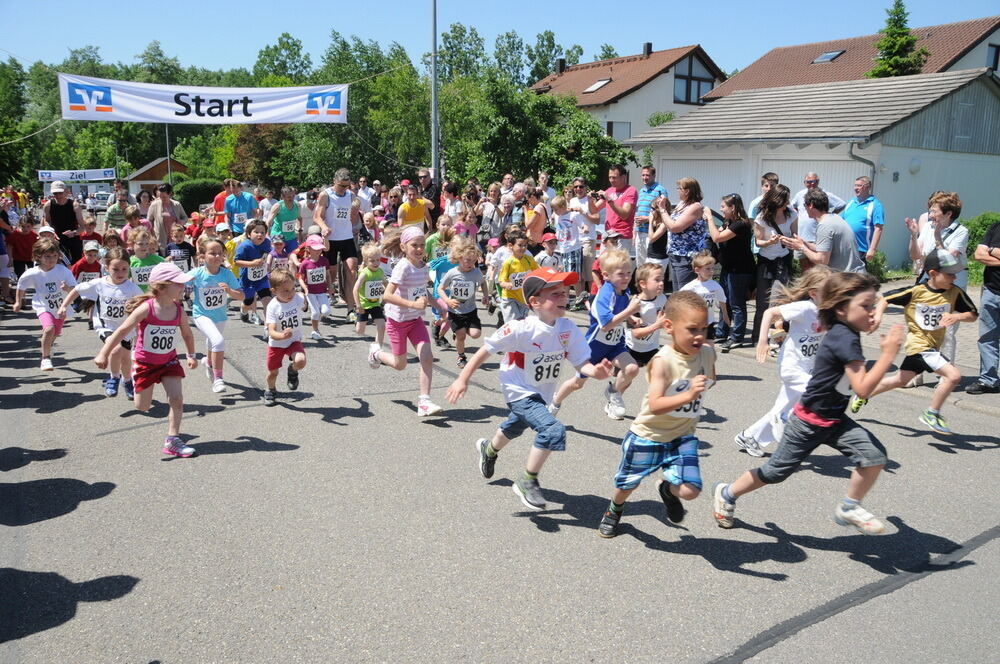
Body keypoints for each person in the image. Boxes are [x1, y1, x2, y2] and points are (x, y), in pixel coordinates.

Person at [712, 271, 905, 535]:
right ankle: (727, 492)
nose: (872, 312)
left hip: (835, 419)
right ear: (841, 309)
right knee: (774, 473)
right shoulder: (843, 338)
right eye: (866, 306)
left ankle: (849, 506)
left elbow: (858, 382)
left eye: (873, 306)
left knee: (873, 456)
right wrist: (889, 355)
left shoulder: (846, 332)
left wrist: (893, 372)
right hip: (807, 423)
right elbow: (862, 388)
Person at [446, 267, 614, 510]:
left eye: (565, 292)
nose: (564, 297)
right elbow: (486, 350)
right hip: (517, 390)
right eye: (555, 293)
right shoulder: (520, 328)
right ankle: (528, 480)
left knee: (516, 426)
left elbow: (581, 362)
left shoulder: (567, 328)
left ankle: (489, 449)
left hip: (541, 393)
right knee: (553, 430)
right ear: (534, 301)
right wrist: (462, 379)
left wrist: (595, 372)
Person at [597, 291, 716, 537]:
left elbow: (710, 378)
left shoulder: (706, 353)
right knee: (627, 484)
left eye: (703, 329)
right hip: (648, 435)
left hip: (682, 437)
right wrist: (689, 395)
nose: (699, 336)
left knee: (691, 490)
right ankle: (614, 510)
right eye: (692, 329)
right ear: (669, 327)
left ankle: (666, 489)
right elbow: (655, 404)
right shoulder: (662, 361)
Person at [851, 249, 978, 434]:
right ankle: (931, 413)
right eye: (950, 274)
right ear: (933, 273)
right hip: (920, 346)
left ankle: (863, 393)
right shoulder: (915, 292)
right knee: (953, 376)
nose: (955, 278)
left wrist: (956, 317)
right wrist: (877, 317)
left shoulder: (955, 293)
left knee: (900, 380)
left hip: (933, 346)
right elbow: (885, 298)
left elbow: (973, 314)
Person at [95, 263, 199, 458]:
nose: (183, 288)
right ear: (162, 287)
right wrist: (104, 353)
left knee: (176, 399)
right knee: (142, 406)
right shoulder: (146, 308)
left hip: (169, 361)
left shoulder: (178, 309)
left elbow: (187, 334)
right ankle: (131, 380)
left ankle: (173, 440)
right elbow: (122, 331)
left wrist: (191, 355)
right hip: (146, 363)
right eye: (178, 284)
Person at [734, 265, 832, 457]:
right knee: (814, 394)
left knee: (783, 406)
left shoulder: (827, 311)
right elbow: (770, 313)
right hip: (791, 365)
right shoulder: (805, 307)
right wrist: (762, 342)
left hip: (807, 367)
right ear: (813, 293)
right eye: (827, 290)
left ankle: (749, 436)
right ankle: (785, 421)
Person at [551, 248, 641, 420]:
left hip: (615, 345)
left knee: (631, 369)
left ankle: (613, 394)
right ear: (606, 275)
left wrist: (632, 318)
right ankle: (555, 402)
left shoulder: (624, 290)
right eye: (621, 274)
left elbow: (620, 314)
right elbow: (606, 324)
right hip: (594, 347)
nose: (627, 277)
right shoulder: (605, 294)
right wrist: (630, 310)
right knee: (578, 383)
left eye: (629, 273)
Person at [367, 225, 444, 417]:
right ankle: (376, 354)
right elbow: (387, 295)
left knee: (426, 357)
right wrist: (413, 304)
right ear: (403, 247)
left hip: (416, 321)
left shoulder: (424, 267)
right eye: (414, 245)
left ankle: (424, 402)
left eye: (421, 245)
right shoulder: (403, 267)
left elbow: (422, 292)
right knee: (400, 365)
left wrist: (442, 306)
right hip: (397, 321)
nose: (419, 249)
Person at [59, 247, 143, 398]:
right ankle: (114, 377)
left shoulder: (132, 288)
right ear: (106, 267)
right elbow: (76, 290)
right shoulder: (99, 284)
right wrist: (64, 306)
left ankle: (127, 380)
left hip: (125, 328)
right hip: (106, 326)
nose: (120, 273)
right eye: (115, 269)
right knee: (115, 349)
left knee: (125, 357)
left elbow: (144, 305)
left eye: (124, 269)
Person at [905, 191, 969, 385]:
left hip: (951, 286)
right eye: (930, 211)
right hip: (928, 283)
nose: (931, 215)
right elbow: (915, 256)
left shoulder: (961, 231)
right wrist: (914, 235)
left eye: (934, 211)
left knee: (946, 331)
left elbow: (947, 262)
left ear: (948, 213)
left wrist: (938, 237)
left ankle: (946, 375)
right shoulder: (929, 227)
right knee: (922, 329)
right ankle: (917, 372)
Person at [187, 237, 244, 394]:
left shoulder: (226, 274)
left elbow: (241, 296)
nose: (217, 257)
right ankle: (218, 379)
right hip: (201, 315)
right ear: (202, 256)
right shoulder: (196, 273)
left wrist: (230, 291)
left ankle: (209, 363)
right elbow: (178, 284)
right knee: (218, 341)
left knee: (213, 343)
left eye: (220, 253)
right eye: (212, 253)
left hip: (220, 316)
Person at [13, 238, 78, 371]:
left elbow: (75, 290)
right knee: (49, 329)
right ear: (38, 256)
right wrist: (18, 301)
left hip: (60, 307)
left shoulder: (63, 271)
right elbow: (21, 285)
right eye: (47, 256)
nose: (51, 259)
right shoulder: (33, 272)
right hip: (43, 306)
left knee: (55, 333)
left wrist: (66, 288)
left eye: (54, 256)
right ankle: (45, 358)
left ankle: (48, 346)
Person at [705, 194, 755, 351]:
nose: (721, 209)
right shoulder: (729, 222)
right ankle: (721, 332)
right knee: (723, 302)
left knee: (736, 304)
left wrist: (710, 219)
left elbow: (717, 237)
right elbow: (715, 236)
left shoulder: (740, 224)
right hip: (728, 269)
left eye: (723, 207)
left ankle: (737, 337)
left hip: (740, 270)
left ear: (732, 208)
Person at [751, 184, 797, 344]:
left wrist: (790, 241)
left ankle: (778, 338)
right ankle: (758, 337)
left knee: (779, 299)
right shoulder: (761, 218)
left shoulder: (791, 214)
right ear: (776, 200)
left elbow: (796, 236)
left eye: (787, 200)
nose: (787, 203)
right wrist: (769, 241)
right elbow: (758, 242)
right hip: (765, 262)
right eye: (784, 200)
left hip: (783, 260)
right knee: (762, 301)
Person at [314, 168, 361, 321]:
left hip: (347, 238)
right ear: (334, 181)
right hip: (331, 239)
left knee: (352, 271)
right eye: (341, 186)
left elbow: (353, 217)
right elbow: (317, 217)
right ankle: (325, 301)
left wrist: (355, 213)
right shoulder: (326, 195)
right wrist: (324, 227)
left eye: (346, 186)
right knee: (331, 274)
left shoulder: (351, 195)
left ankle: (350, 309)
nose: (343, 189)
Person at [781, 189, 865, 274]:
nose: (804, 208)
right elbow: (824, 248)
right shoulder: (834, 218)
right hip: (854, 275)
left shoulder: (825, 225)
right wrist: (804, 243)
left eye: (804, 205)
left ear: (811, 205)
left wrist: (801, 247)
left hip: (847, 279)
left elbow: (821, 260)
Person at [439, 237, 489, 368]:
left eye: (473, 261)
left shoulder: (475, 272)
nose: (470, 263)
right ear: (459, 258)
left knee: (476, 334)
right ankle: (461, 356)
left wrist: (486, 296)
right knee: (461, 336)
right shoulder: (452, 273)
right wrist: (448, 300)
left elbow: (483, 283)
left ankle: (459, 333)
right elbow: (441, 288)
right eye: (467, 260)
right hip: (455, 311)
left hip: (471, 310)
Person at [262, 269, 308, 406]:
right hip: (277, 344)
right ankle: (270, 390)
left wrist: (305, 299)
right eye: (285, 291)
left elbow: (305, 306)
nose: (290, 293)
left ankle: (292, 371)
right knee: (273, 373)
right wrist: (281, 335)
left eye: (293, 288)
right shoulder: (272, 307)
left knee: (301, 360)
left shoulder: (297, 298)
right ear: (274, 291)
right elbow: (271, 331)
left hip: (293, 340)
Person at [968, 216, 1000, 395]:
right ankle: (989, 381)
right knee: (987, 338)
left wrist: (993, 250)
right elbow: (978, 254)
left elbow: (986, 253)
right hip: (991, 291)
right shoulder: (995, 227)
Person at [664, 177, 707, 291]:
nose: (677, 191)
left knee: (684, 294)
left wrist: (662, 210)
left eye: (679, 188)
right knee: (677, 293)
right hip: (676, 254)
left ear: (687, 191)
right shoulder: (682, 204)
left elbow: (675, 227)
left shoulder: (695, 207)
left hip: (687, 256)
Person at [680, 251, 730, 342]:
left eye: (712, 268)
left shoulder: (715, 285)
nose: (711, 271)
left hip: (709, 323)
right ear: (697, 270)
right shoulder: (691, 287)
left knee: (710, 350)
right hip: (694, 324)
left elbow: (722, 300)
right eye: (707, 269)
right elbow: (677, 300)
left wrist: (725, 315)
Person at [624, 263, 667, 368]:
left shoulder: (662, 299)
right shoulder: (636, 303)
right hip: (632, 348)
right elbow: (636, 334)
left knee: (663, 371)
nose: (661, 283)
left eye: (662, 279)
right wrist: (657, 325)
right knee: (626, 377)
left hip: (652, 347)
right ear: (643, 284)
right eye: (657, 280)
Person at [590, 165, 638, 257]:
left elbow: (625, 214)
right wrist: (589, 200)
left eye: (614, 177)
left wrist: (610, 200)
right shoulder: (609, 190)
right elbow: (594, 210)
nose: (611, 180)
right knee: (603, 265)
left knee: (617, 267)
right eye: (610, 177)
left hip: (621, 236)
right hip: (608, 234)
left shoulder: (630, 191)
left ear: (623, 177)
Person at [235, 220, 273, 326]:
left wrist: (268, 264)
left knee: (268, 302)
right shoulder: (244, 246)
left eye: (262, 232)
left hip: (262, 279)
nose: (260, 234)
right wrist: (252, 264)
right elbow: (237, 262)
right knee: (248, 302)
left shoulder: (267, 243)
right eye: (256, 232)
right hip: (248, 281)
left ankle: (268, 329)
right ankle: (244, 310)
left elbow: (268, 254)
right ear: (248, 234)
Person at [497, 228, 539, 323]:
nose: (523, 248)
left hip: (523, 298)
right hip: (510, 298)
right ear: (510, 246)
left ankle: (502, 320)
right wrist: (506, 285)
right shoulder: (508, 263)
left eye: (525, 245)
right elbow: (501, 281)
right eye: (520, 245)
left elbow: (537, 272)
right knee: (514, 324)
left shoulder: (529, 259)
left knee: (521, 324)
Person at [842, 176, 885, 264]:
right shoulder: (851, 202)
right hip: (845, 246)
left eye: (859, 186)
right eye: (855, 185)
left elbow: (878, 229)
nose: (856, 188)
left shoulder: (875, 205)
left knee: (858, 277)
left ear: (868, 187)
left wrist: (872, 249)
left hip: (860, 249)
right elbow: (841, 220)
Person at [297, 234, 332, 341]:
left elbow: (328, 275)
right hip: (311, 292)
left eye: (319, 249)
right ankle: (315, 330)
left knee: (326, 311)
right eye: (315, 249)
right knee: (315, 312)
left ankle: (317, 321)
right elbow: (300, 278)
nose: (318, 251)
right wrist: (305, 288)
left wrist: (330, 286)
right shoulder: (305, 263)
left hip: (322, 291)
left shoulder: (324, 261)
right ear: (308, 249)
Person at [353, 242, 387, 350]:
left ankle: (378, 348)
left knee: (382, 326)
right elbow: (355, 289)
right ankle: (357, 320)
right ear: (366, 261)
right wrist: (358, 305)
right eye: (372, 261)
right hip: (364, 305)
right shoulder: (364, 273)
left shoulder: (380, 271)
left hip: (376, 304)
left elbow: (386, 284)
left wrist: (387, 294)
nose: (376, 263)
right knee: (360, 331)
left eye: (378, 260)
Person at [42, 180, 85, 263]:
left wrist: (74, 233)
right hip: (56, 238)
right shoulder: (48, 205)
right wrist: (51, 232)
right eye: (55, 193)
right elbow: (46, 221)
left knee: (76, 263)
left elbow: (82, 227)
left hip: (73, 238)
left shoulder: (74, 205)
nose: (58, 195)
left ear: (66, 192)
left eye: (60, 192)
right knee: (57, 264)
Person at [635, 166, 667, 268]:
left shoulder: (660, 191)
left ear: (654, 176)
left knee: (651, 266)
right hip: (640, 232)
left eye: (647, 175)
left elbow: (664, 213)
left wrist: (647, 219)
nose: (645, 177)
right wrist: (634, 231)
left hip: (651, 233)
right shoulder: (641, 191)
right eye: (643, 175)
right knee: (640, 265)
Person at [147, 183, 188, 255]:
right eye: (160, 196)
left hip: (175, 236)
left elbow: (185, 217)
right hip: (160, 237)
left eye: (164, 197)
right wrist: (152, 234)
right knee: (163, 258)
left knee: (175, 257)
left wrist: (181, 222)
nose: (162, 199)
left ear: (170, 194)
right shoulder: (154, 205)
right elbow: (149, 221)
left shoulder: (177, 204)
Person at [127, 229, 165, 293]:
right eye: (140, 244)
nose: (144, 247)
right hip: (138, 295)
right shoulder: (130, 261)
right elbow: (126, 279)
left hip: (154, 294)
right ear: (132, 244)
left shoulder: (155, 258)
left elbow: (167, 268)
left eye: (147, 243)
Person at [267, 186, 304, 251]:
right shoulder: (277, 206)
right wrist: (267, 235)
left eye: (293, 196)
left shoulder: (297, 205)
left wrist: (300, 231)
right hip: (278, 235)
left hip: (291, 236)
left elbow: (299, 218)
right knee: (277, 257)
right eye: (289, 197)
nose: (292, 198)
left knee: (293, 255)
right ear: (283, 197)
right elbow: (269, 222)